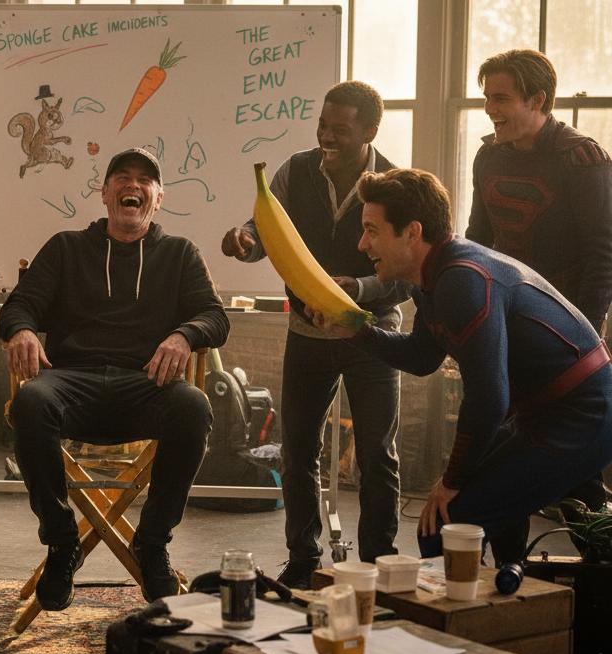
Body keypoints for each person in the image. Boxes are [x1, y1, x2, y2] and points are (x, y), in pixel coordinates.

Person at [312, 168, 612, 564]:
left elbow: (488, 400)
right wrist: (357, 331)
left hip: (582, 411)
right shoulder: (433, 276)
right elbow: (422, 357)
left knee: (446, 522)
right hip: (548, 411)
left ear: (412, 232)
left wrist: (451, 481)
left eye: (372, 230)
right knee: (488, 512)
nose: (362, 243)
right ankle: (510, 586)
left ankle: (503, 591)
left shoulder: (461, 280)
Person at [0, 147, 229, 610]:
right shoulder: (66, 247)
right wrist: (22, 330)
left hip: (145, 384)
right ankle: (62, 541)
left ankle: (152, 541)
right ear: (104, 193)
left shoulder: (180, 254)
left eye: (145, 180)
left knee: (193, 406)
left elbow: (214, 317)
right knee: (30, 402)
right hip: (71, 382)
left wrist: (185, 335)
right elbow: (18, 307)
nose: (133, 185)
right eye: (122, 177)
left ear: (158, 198)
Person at [221, 81, 405, 588]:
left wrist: (359, 290)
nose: (326, 136)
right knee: (299, 452)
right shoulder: (295, 172)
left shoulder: (394, 185)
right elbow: (266, 230)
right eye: (323, 125)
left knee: (377, 455)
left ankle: (378, 565)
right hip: (307, 332)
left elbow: (409, 272)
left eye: (340, 129)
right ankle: (303, 559)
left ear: (370, 132)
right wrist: (245, 240)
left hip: (372, 334)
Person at [467, 48, 612, 513]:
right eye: (487, 97)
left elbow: (603, 256)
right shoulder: (488, 157)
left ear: (538, 100)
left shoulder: (583, 160)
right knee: (495, 452)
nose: (489, 109)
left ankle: (594, 553)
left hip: (566, 335)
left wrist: (583, 336)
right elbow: (476, 243)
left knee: (575, 465)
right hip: (506, 324)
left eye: (501, 98)